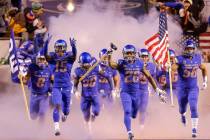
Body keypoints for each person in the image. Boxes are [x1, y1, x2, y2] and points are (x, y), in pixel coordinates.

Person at [108, 44, 166, 140]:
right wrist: (110, 53)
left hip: (136, 93)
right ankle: (129, 132)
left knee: (134, 114)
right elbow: (111, 64)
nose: (129, 55)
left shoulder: (139, 63)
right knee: (127, 111)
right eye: (127, 53)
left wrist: (157, 90)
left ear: (135, 54)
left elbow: (149, 76)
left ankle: (132, 119)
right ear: (124, 54)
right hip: (125, 92)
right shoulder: (121, 63)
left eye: (131, 53)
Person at [172, 39, 207, 138]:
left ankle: (194, 129)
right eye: (188, 48)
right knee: (182, 109)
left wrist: (205, 81)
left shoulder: (197, 58)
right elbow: (174, 68)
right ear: (185, 49)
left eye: (191, 48)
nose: (190, 50)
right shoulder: (180, 58)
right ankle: (183, 115)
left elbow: (204, 68)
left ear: (194, 49)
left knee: (193, 106)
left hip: (193, 88)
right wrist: (170, 66)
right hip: (182, 89)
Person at [46, 38, 77, 136]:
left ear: (64, 48)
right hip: (56, 86)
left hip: (67, 86)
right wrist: (46, 45)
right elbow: (45, 56)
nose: (59, 50)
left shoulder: (69, 57)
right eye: (58, 48)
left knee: (66, 110)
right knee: (57, 105)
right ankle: (56, 128)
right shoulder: (52, 58)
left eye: (61, 48)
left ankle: (65, 114)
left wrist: (74, 46)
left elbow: (75, 55)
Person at [74, 52, 102, 132]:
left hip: (94, 94)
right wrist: (76, 91)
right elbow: (75, 84)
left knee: (96, 112)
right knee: (86, 116)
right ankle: (89, 132)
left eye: (86, 65)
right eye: (83, 65)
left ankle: (93, 115)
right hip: (85, 96)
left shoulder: (95, 67)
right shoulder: (78, 71)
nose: (85, 67)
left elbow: (106, 75)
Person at [23, 54, 52, 121]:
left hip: (44, 95)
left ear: (45, 60)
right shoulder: (32, 67)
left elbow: (52, 81)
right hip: (34, 95)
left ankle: (40, 129)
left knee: (42, 113)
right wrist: (22, 78)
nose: (41, 62)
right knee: (33, 116)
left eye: (42, 60)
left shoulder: (49, 69)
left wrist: (51, 90)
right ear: (36, 61)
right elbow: (26, 78)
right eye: (39, 60)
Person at [138, 48, 156, 128]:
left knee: (143, 107)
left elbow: (153, 78)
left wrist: (153, 89)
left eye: (145, 56)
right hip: (134, 90)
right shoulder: (134, 64)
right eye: (142, 56)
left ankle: (142, 125)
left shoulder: (152, 66)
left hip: (145, 89)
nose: (144, 58)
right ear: (139, 57)